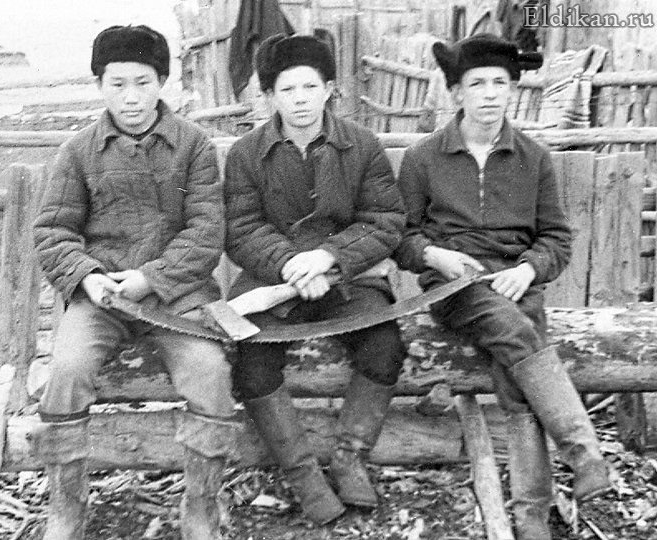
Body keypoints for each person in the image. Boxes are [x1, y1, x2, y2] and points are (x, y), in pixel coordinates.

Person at [395, 33, 611, 539]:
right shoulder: (424, 157)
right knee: (517, 334)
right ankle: (584, 452)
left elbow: (556, 238)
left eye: (500, 83)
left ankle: (531, 518)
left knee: (517, 389)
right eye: (477, 84)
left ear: (513, 89)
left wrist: (529, 269)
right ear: (457, 93)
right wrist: (436, 256)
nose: (490, 94)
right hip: (454, 286)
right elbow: (401, 237)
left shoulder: (533, 157)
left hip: (516, 283)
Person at [32, 25, 239, 540]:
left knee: (210, 372)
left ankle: (200, 505)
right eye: (117, 83)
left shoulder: (193, 146)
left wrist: (151, 278)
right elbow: (54, 232)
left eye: (142, 83)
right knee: (67, 370)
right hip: (102, 301)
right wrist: (88, 278)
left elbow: (206, 230)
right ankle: (67, 507)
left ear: (161, 82)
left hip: (178, 299)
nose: (131, 97)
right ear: (99, 85)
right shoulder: (78, 152)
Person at [223, 33, 406, 525]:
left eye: (310, 87)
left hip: (349, 279)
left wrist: (328, 257)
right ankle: (303, 475)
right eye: (287, 89)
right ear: (269, 96)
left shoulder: (362, 146)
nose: (300, 99)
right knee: (252, 361)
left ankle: (349, 459)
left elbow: (385, 221)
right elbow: (241, 229)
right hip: (272, 282)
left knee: (385, 346)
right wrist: (289, 264)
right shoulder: (245, 154)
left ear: (329, 89)